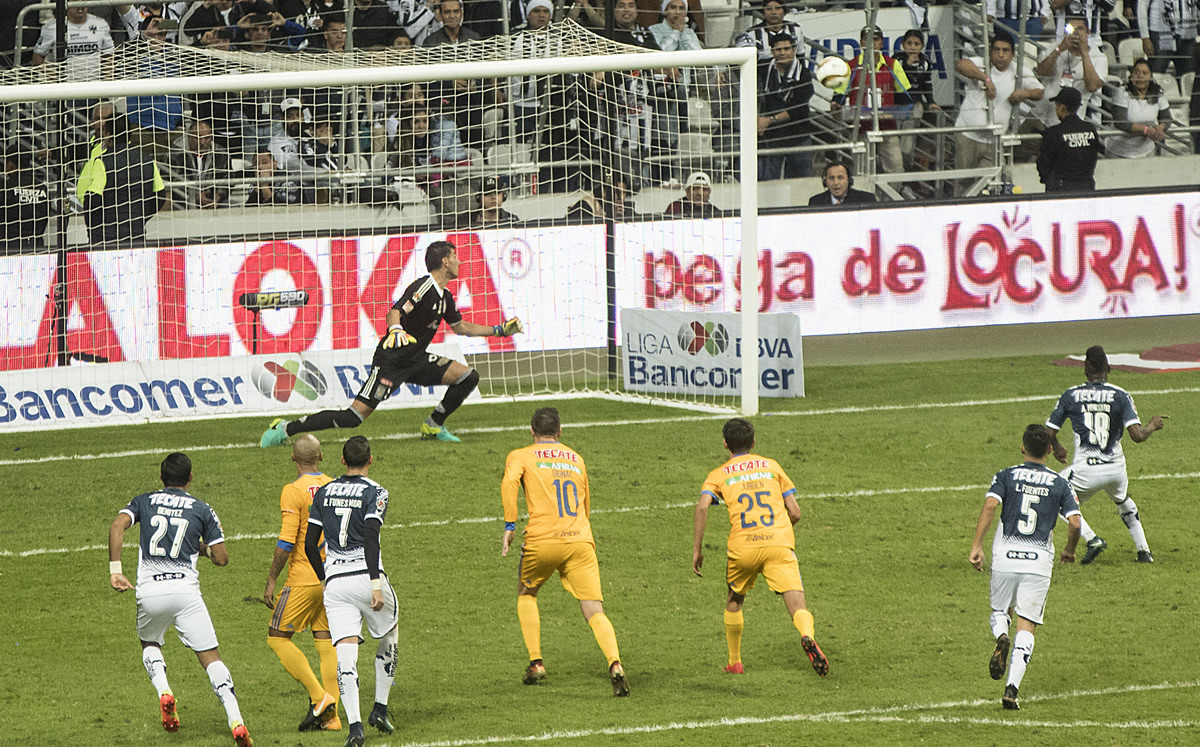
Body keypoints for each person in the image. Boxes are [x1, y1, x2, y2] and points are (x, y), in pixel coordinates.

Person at [261, 240, 524, 447]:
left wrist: (499, 330)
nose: (459, 261)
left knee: (468, 377)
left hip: (417, 360)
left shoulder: (445, 296)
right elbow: (395, 311)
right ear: (445, 262)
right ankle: (284, 428)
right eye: (455, 257)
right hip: (391, 363)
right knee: (353, 418)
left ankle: (433, 425)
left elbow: (461, 326)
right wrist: (395, 328)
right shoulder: (423, 288)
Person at [107, 452, 253, 746]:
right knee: (211, 659)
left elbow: (116, 526)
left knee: (150, 643)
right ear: (190, 478)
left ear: (161, 478)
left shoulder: (144, 501)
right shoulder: (201, 509)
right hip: (187, 594)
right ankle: (236, 719)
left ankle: (164, 690)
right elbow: (222, 558)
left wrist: (116, 571)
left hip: (150, 592)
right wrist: (200, 548)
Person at [500, 407, 630, 696]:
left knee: (526, 592)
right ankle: (615, 663)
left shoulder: (520, 455)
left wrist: (510, 524)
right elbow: (586, 503)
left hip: (543, 540)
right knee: (594, 609)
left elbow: (509, 483)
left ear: (531, 432)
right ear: (560, 432)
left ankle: (536, 663)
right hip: (581, 540)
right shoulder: (576, 458)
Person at [692, 417, 828, 677]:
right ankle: (807, 635)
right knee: (798, 605)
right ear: (753, 442)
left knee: (734, 599)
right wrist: (778, 532)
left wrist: (697, 550)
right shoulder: (772, 467)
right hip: (778, 543)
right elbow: (796, 513)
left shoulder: (718, 474)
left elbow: (702, 507)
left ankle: (735, 662)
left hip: (744, 547)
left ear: (725, 444)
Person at [969, 425, 1081, 711]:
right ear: (1048, 450)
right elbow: (1076, 524)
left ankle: (1000, 637)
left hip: (1006, 557)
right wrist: (1069, 550)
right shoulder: (1060, 484)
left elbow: (991, 506)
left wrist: (977, 546)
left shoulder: (1005, 476)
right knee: (1027, 624)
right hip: (1038, 563)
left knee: (999, 611)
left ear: (1022, 448)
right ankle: (1011, 690)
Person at [304, 436, 398, 747]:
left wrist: (324, 579)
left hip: (336, 583)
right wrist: (374, 583)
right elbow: (371, 537)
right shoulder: (376, 492)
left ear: (342, 461)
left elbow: (309, 544)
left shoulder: (324, 491)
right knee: (389, 634)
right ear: (371, 459)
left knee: (345, 656)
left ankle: (355, 728)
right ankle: (380, 709)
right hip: (365, 578)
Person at [1045, 345, 1167, 564]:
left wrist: (1056, 446)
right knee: (1123, 500)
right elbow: (1137, 436)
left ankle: (1092, 539)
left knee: (1054, 496)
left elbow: (1049, 433)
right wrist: (1152, 425)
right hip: (1115, 469)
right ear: (1108, 368)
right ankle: (1144, 551)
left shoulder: (1071, 395)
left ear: (1085, 370)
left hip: (1086, 469)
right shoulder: (1121, 395)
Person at [263, 435, 341, 733]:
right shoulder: (335, 485)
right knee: (325, 642)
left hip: (304, 579)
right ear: (321, 456)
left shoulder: (293, 491)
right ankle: (332, 718)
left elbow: (286, 540)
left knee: (277, 637)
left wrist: (272, 579)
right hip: (332, 576)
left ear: (292, 459)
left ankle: (320, 698)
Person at [954, 31, 1043, 194]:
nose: (1000, 54)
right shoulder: (981, 64)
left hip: (994, 141)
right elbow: (960, 64)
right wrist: (985, 79)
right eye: (997, 49)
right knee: (963, 182)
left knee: (991, 184)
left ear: (1013, 54)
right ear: (990, 51)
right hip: (967, 135)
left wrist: (1024, 94)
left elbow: (1040, 91)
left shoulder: (1018, 71)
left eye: (1005, 50)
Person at [76, 102, 169, 246]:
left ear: (108, 134)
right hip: (136, 233)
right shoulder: (147, 160)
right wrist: (141, 216)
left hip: (106, 236)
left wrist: (93, 228)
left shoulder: (102, 162)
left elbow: (92, 200)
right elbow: (160, 196)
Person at [832, 25, 913, 175]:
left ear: (882, 43)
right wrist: (836, 105)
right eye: (867, 40)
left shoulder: (892, 65)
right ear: (861, 43)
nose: (871, 43)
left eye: (875, 40)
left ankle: (891, 199)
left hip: (888, 126)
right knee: (862, 171)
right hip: (861, 127)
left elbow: (905, 95)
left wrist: (907, 107)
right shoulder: (851, 66)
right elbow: (839, 95)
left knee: (896, 168)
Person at [758, 33, 813, 180]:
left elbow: (799, 109)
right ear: (772, 51)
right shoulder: (763, 71)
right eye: (778, 49)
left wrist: (769, 120)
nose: (783, 53)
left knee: (801, 184)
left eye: (786, 49)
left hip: (798, 137)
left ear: (794, 50)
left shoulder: (804, 74)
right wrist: (722, 77)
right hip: (771, 137)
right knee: (768, 183)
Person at [1036, 87, 1099, 193]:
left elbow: (1044, 164)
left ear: (1062, 108)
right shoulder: (1091, 129)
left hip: (1061, 188)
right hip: (1087, 186)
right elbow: (1094, 156)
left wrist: (1047, 180)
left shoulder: (1054, 133)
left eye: (1057, 105)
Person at [1106, 58, 1172, 158]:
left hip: (1146, 150)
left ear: (1150, 77)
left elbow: (1166, 118)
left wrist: (1160, 128)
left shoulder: (1158, 94)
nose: (1140, 76)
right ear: (1131, 75)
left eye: (1144, 73)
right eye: (1136, 72)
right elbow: (1121, 122)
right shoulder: (1122, 92)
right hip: (1120, 150)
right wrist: (1146, 130)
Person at [168, 118, 232, 208]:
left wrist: (218, 196)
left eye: (206, 138)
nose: (202, 142)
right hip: (182, 201)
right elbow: (172, 185)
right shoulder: (175, 155)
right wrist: (194, 197)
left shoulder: (220, 154)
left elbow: (227, 179)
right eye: (197, 138)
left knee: (231, 205)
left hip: (212, 200)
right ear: (188, 137)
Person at [2, 146, 49, 251]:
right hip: (37, 244)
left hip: (9, 247)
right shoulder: (42, 188)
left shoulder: (5, 187)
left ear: (10, 164)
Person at [1138, 0, 1197, 80]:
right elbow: (1142, 5)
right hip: (1161, 34)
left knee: (1189, 78)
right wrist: (1145, 37)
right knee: (1156, 74)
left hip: (1188, 35)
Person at [734, 0, 802, 63]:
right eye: (769, 9)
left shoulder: (795, 29)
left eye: (777, 8)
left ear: (784, 12)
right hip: (761, 74)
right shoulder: (751, 34)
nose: (773, 12)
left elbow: (801, 57)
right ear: (763, 12)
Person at [807, 160, 875, 206]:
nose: (836, 183)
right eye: (831, 178)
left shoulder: (866, 199)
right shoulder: (816, 202)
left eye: (840, 178)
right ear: (825, 182)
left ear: (849, 180)